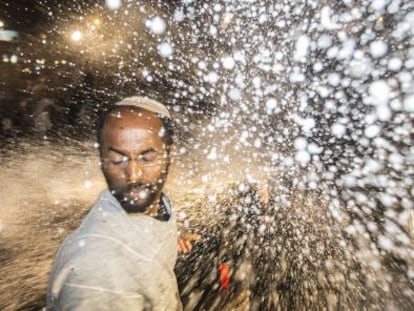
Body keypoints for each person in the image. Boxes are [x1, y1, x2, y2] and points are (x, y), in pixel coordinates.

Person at [47, 96, 184, 310]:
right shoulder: (99, 273)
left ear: (169, 154)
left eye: (146, 158)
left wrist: (175, 236)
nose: (133, 175)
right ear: (101, 157)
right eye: (118, 159)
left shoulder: (157, 206)